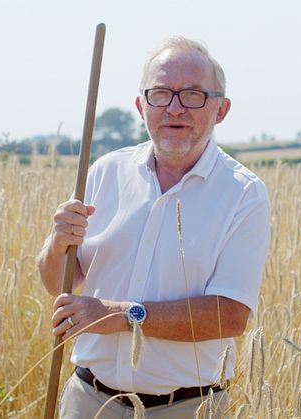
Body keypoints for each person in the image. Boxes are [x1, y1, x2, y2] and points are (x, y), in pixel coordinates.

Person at [37, 36, 271, 418]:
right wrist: (56, 243)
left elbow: (231, 316)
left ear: (221, 109)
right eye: (160, 94)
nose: (174, 108)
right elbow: (58, 283)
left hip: (187, 407)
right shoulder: (104, 173)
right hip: (89, 401)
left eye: (193, 95)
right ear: (140, 105)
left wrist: (119, 315)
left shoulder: (243, 194)